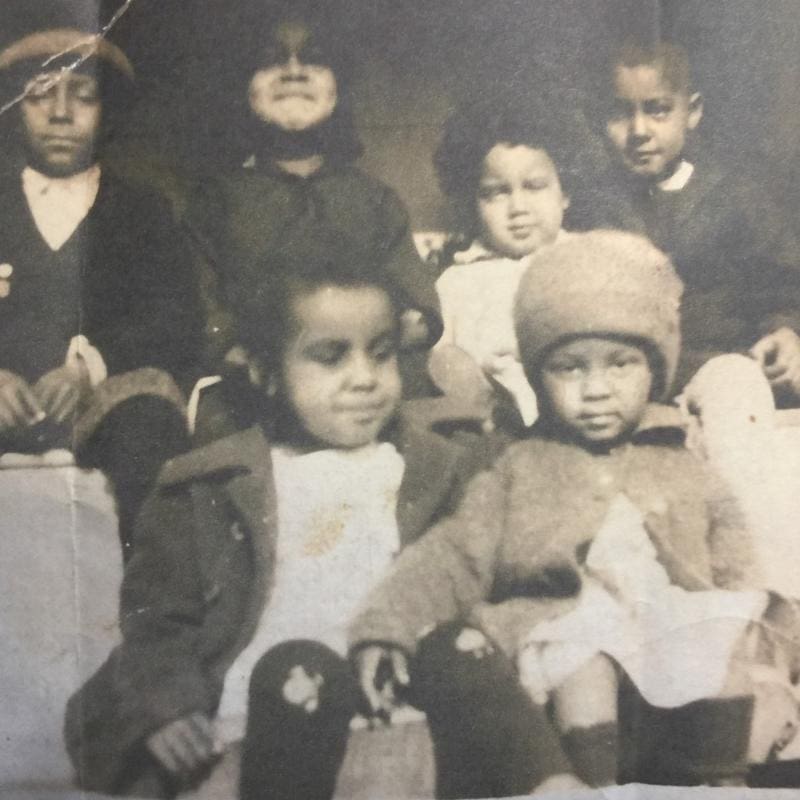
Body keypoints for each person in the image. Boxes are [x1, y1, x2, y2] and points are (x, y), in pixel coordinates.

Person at [351, 230, 800, 791]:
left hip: (669, 637)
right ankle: (595, 783)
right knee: (582, 655)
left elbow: (737, 564)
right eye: (570, 368)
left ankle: (717, 783)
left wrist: (769, 639)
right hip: (568, 634)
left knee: (723, 642)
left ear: (655, 369)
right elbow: (450, 555)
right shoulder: (520, 467)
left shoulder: (683, 463)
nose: (596, 390)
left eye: (620, 365)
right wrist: (384, 628)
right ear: (539, 376)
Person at [65, 235, 478, 800]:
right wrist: (170, 708)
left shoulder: (432, 470)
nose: (365, 378)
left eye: (380, 352)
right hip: (257, 722)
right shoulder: (210, 486)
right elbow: (158, 622)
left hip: (395, 715)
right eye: (330, 356)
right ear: (265, 374)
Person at [0, 24, 203, 553]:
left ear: (107, 113)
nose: (62, 114)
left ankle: (156, 608)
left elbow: (174, 317)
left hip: (103, 405)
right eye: (41, 94)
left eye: (84, 96)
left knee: (150, 425)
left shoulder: (142, 208)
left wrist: (86, 368)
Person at [185, 11, 441, 380]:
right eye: (271, 60)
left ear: (339, 89)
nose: (293, 71)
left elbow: (421, 313)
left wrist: (364, 346)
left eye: (314, 59)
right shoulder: (215, 201)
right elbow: (204, 320)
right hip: (256, 382)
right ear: (243, 87)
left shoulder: (374, 200)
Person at [598, 39, 800, 401]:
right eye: (621, 113)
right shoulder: (594, 205)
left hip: (724, 368)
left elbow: (783, 284)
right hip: (623, 383)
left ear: (691, 112)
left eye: (657, 110)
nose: (639, 129)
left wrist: (786, 332)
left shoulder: (735, 198)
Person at [430, 99, 572, 429]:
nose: (518, 207)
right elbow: (440, 359)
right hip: (489, 422)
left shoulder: (585, 259)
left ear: (566, 192)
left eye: (535, 186)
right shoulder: (456, 281)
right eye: (496, 193)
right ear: (472, 201)